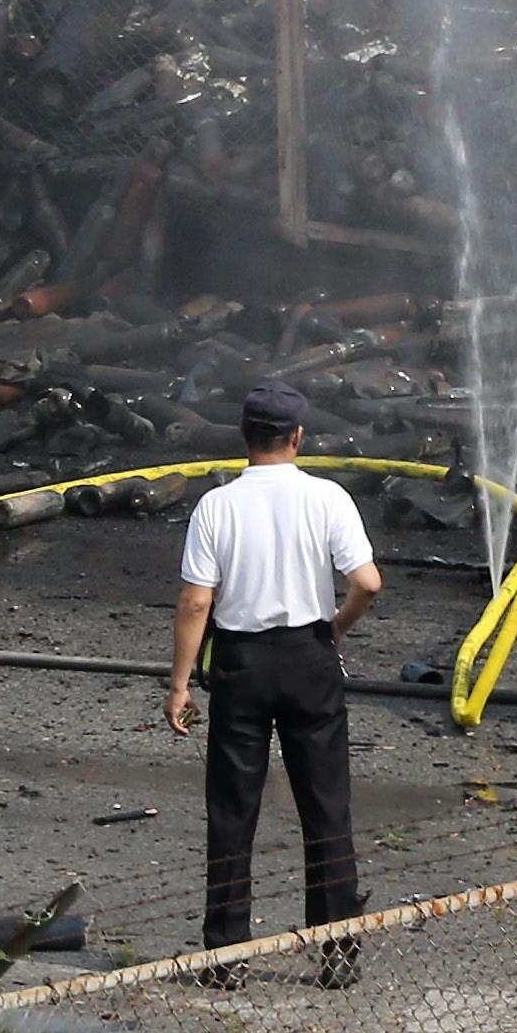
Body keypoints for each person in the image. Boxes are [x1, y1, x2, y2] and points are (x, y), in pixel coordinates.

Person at [163, 381, 382, 990]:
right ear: (297, 437)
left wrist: (180, 684)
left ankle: (225, 955)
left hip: (242, 663)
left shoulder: (218, 506)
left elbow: (195, 601)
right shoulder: (328, 498)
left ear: (242, 434)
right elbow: (367, 581)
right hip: (309, 657)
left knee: (233, 811)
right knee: (326, 806)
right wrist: (334, 629)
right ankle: (337, 950)